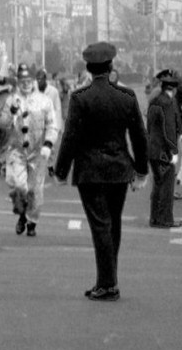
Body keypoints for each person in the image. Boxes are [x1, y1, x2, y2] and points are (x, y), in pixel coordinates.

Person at [52, 40, 149, 302]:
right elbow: (139, 137)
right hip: (119, 168)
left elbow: (70, 137)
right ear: (111, 65)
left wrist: (60, 171)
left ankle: (107, 283)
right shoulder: (126, 97)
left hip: (90, 171)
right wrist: (141, 170)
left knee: (100, 226)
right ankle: (108, 279)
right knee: (113, 224)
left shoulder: (80, 98)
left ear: (88, 68)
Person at [4, 64, 59, 238]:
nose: (26, 84)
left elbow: (52, 125)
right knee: (18, 185)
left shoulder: (44, 100)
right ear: (18, 82)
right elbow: (2, 125)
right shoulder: (11, 100)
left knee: (36, 190)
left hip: (38, 151)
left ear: (33, 81)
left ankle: (32, 222)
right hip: (17, 150)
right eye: (23, 81)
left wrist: (48, 144)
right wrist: (10, 114)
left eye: (29, 81)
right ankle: (21, 214)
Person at [146, 69, 181, 229]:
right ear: (172, 89)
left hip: (153, 149)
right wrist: (173, 150)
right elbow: (169, 130)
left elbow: (149, 127)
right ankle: (165, 218)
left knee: (158, 185)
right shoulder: (167, 104)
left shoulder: (154, 102)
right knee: (167, 186)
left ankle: (155, 217)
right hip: (164, 151)